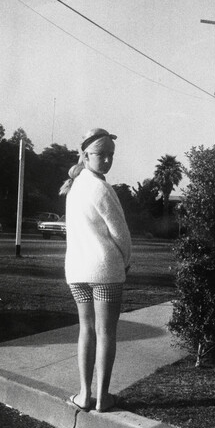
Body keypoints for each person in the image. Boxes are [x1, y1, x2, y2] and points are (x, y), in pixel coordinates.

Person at [60, 127, 131, 412]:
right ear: (86, 155)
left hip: (77, 271)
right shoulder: (101, 188)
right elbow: (120, 233)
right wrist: (126, 261)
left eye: (110, 155)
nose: (107, 161)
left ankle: (83, 394)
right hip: (105, 270)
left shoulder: (74, 188)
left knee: (86, 330)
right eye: (101, 155)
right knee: (105, 332)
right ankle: (102, 397)